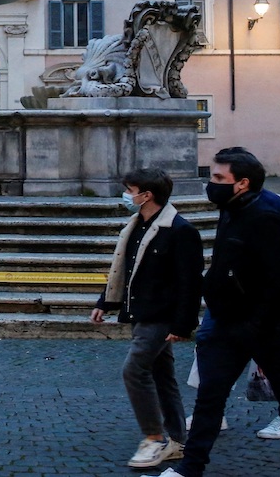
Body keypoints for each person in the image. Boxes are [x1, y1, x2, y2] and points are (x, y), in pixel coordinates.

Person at [149, 148, 280, 477]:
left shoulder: (267, 214)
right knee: (209, 398)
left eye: (217, 178)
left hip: (266, 328)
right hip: (228, 322)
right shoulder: (232, 208)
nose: (209, 184)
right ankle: (189, 469)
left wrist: (254, 324)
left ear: (242, 183)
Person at [90, 168, 203, 469]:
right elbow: (124, 269)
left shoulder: (181, 231)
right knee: (162, 375)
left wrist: (183, 324)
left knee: (134, 371)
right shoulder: (136, 224)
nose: (127, 195)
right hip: (140, 311)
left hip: (160, 316)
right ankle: (178, 440)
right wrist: (105, 301)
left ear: (147, 195)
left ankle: (154, 438)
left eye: (130, 189)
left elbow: (190, 283)